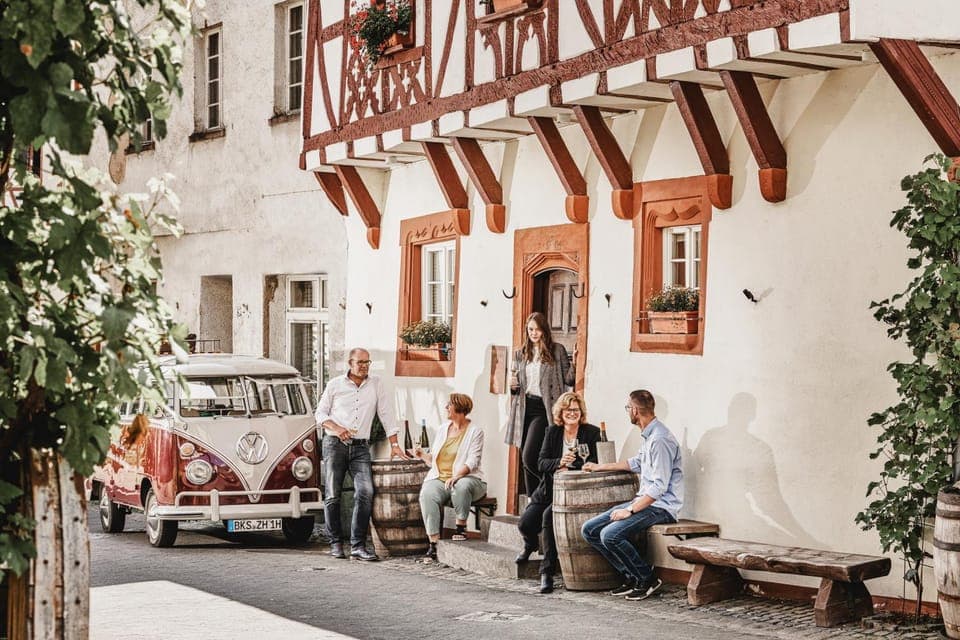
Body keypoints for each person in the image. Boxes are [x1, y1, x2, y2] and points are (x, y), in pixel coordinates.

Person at [580, 389, 683, 601]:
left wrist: (629, 510)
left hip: (662, 507)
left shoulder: (660, 439)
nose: (628, 411)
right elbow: (635, 463)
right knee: (590, 530)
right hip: (645, 502)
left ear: (635, 410)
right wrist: (600, 467)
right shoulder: (649, 435)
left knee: (610, 535)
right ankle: (631, 576)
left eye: (628, 408)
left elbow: (659, 487)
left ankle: (647, 578)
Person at [314, 348, 408, 561]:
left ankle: (357, 545)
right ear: (350, 363)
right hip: (334, 444)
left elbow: (386, 414)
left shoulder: (376, 384)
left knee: (365, 492)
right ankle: (335, 542)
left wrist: (394, 444)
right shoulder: (335, 385)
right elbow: (320, 414)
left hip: (360, 448)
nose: (364, 366)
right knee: (332, 495)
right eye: (360, 362)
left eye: (367, 362)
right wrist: (337, 429)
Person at [517, 391, 599, 594]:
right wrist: (559, 462)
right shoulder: (552, 432)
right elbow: (541, 462)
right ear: (560, 413)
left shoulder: (591, 432)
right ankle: (530, 545)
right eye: (568, 410)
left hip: (572, 493)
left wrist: (575, 465)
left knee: (548, 518)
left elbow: (594, 462)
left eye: (576, 409)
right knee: (526, 523)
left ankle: (547, 573)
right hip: (548, 491)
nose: (573, 413)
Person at [504, 311, 575, 498]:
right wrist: (512, 387)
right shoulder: (521, 354)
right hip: (523, 407)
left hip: (545, 410)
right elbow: (517, 386)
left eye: (537, 329)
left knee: (529, 456)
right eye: (530, 329)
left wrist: (576, 360)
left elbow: (569, 379)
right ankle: (532, 502)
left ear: (544, 330)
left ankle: (544, 494)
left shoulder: (556, 350)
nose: (534, 333)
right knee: (525, 460)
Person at [416, 393, 486, 562]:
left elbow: (473, 461)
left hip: (470, 479)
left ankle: (460, 527)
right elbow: (435, 459)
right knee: (427, 494)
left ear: (459, 408)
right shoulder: (443, 429)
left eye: (449, 405)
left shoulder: (475, 431)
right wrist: (422, 455)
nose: (446, 408)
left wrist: (456, 476)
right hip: (441, 478)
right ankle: (433, 544)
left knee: (460, 486)